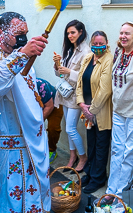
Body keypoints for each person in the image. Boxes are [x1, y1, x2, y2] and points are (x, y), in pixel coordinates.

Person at [0, 12, 50, 212]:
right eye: (18, 33)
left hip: (27, 142)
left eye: (26, 33)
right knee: (3, 198)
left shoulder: (22, 55)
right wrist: (22, 55)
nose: (23, 38)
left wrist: (23, 55)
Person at [101, 21, 133, 204]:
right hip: (119, 111)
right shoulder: (118, 52)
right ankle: (110, 190)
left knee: (130, 154)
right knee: (116, 152)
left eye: (127, 33)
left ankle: (120, 196)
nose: (123, 36)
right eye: (121, 32)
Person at [76, 31, 113, 194]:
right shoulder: (87, 58)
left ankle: (98, 178)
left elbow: (105, 89)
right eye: (95, 43)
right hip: (87, 111)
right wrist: (81, 104)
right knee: (90, 143)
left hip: (101, 112)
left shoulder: (109, 60)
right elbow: (79, 82)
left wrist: (92, 110)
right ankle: (90, 173)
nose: (98, 47)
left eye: (101, 43)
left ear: (107, 43)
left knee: (101, 146)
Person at [53, 19, 90, 172]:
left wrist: (69, 72)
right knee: (69, 128)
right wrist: (57, 64)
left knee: (70, 129)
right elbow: (59, 74)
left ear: (81, 32)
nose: (70, 36)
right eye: (68, 33)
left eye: (73, 32)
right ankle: (72, 156)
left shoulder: (86, 51)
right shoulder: (69, 50)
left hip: (76, 95)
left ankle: (83, 157)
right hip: (65, 94)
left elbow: (87, 76)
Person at [36, 78, 64, 163]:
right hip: (38, 105)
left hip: (54, 103)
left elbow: (49, 106)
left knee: (53, 128)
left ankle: (52, 149)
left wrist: (40, 122)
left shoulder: (40, 85)